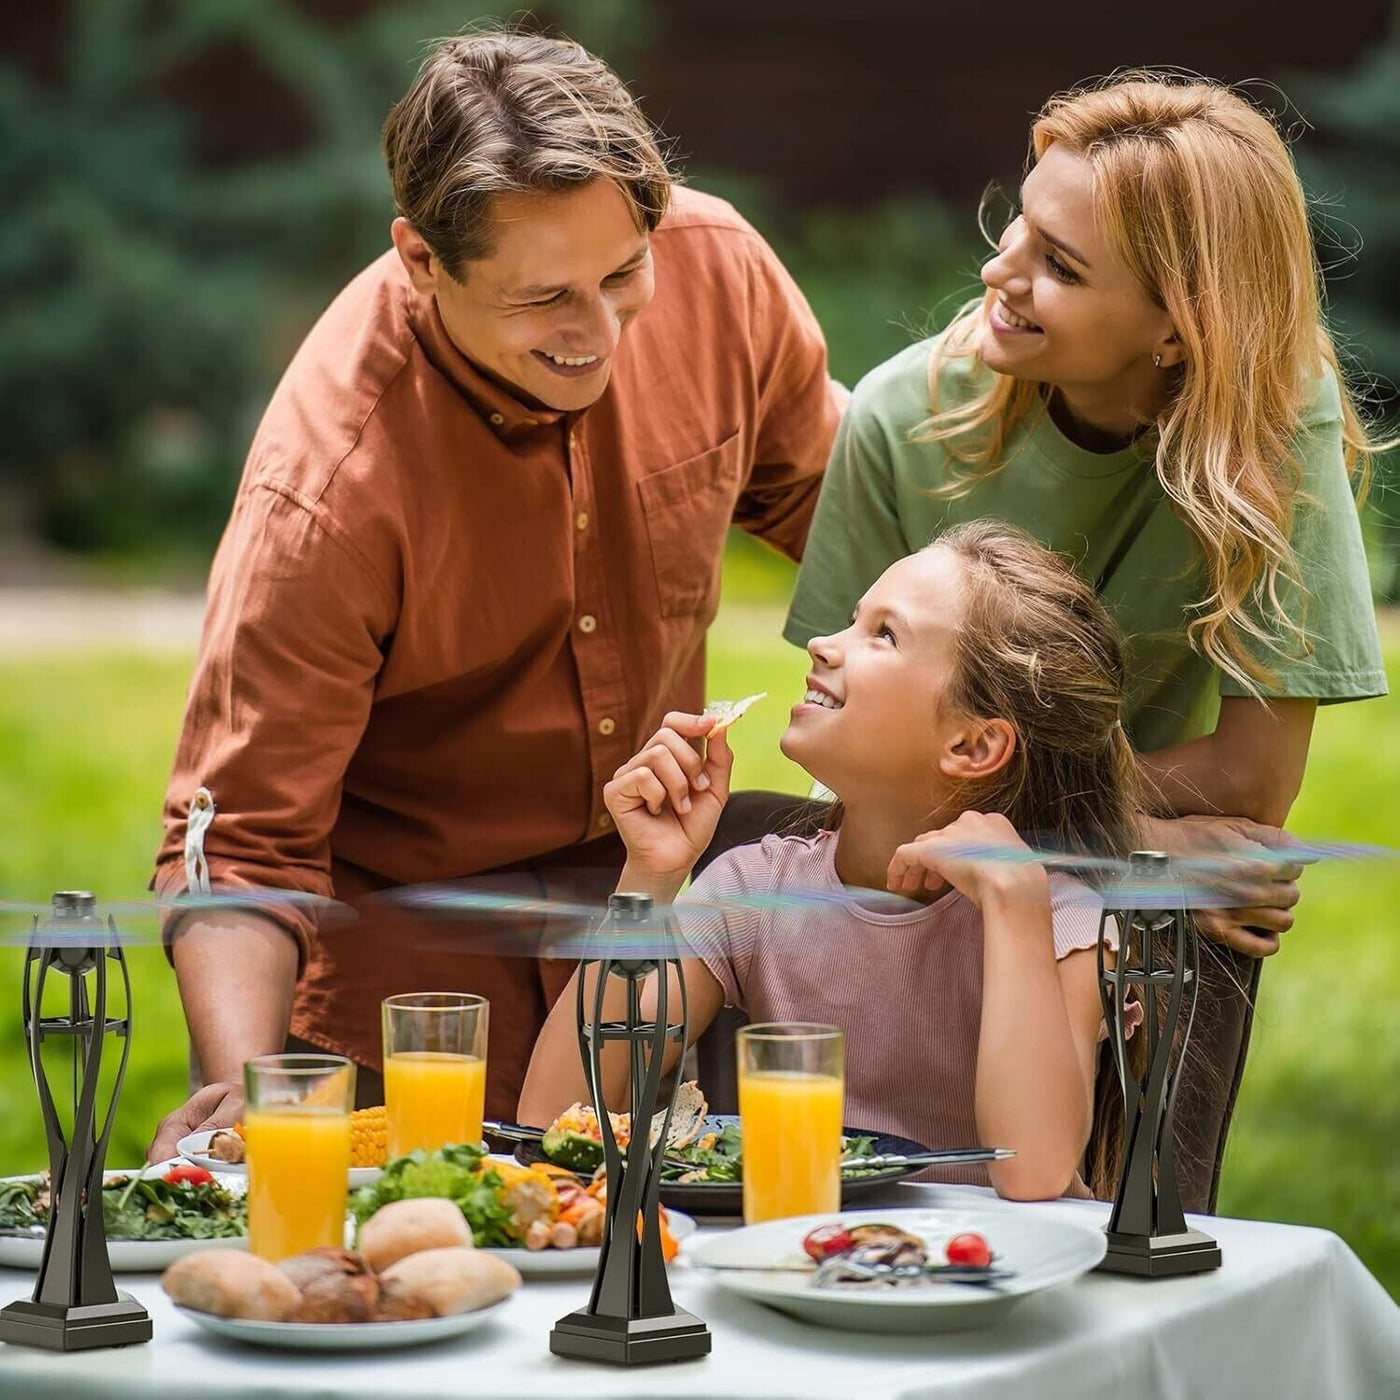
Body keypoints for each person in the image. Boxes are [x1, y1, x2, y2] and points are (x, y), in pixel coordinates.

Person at [146, 31, 842, 1161]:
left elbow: (863, 535)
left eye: (622, 274)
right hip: (416, 998)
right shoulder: (326, 486)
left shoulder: (721, 275)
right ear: (421, 261)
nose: (601, 331)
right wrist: (242, 1087)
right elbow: (243, 846)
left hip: (661, 940)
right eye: (542, 299)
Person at [785, 72, 1389, 961]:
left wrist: (1043, 838)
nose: (998, 269)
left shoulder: (1271, 424)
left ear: (1179, 329)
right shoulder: (899, 416)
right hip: (911, 907)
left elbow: (1252, 783)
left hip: (1126, 941)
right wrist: (1133, 844)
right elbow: (853, 768)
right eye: (1019, 224)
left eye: (1059, 265)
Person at [522, 523, 1144, 1202]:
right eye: (853, 619)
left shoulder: (1054, 915)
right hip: (800, 1260)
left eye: (884, 634)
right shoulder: (754, 893)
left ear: (972, 746)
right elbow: (554, 1121)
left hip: (992, 1286)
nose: (823, 643)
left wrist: (1014, 905)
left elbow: (1033, 1173)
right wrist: (650, 876)